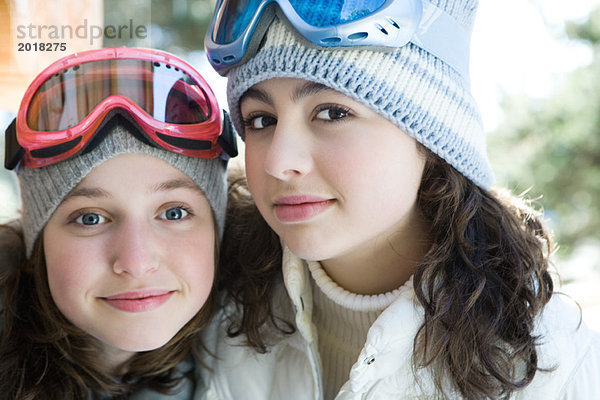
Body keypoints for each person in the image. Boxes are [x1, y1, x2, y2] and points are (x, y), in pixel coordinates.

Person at [200, 0, 600, 399]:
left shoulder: (559, 367)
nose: (278, 161)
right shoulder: (210, 309)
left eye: (333, 113)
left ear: (432, 137)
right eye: (261, 120)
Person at [0, 47, 237, 399]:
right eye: (90, 218)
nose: (136, 262)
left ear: (218, 232)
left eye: (173, 213)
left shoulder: (260, 365)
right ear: (38, 245)